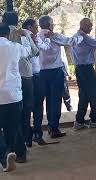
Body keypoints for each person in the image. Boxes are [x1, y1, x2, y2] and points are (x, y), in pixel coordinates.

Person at [37, 15, 83, 138]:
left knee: (48, 100)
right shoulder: (54, 36)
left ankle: (51, 127)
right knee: (56, 100)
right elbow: (70, 42)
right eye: (52, 23)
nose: (54, 25)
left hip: (42, 72)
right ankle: (54, 128)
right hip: (55, 71)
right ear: (49, 25)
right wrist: (80, 36)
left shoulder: (37, 36)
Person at [3, 12, 39, 162]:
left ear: (3, 21)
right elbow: (34, 52)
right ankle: (24, 143)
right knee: (23, 113)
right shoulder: (23, 33)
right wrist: (26, 37)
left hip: (8, 83)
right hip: (25, 78)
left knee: (6, 119)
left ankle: (8, 150)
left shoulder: (5, 34)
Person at [0, 23, 31, 172]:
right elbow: (28, 52)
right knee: (12, 127)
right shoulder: (14, 47)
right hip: (14, 95)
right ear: (7, 34)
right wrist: (24, 37)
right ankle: (12, 153)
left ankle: (5, 155)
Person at [22, 18, 50, 145]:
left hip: (34, 75)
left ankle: (36, 134)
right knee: (31, 107)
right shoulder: (23, 38)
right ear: (29, 27)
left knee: (36, 105)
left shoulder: (33, 38)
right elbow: (40, 50)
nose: (37, 29)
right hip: (29, 76)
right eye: (35, 27)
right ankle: (29, 136)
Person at [61, 46, 73, 112]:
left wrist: (68, 72)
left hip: (61, 66)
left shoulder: (59, 41)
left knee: (64, 89)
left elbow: (63, 57)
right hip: (48, 68)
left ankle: (68, 105)